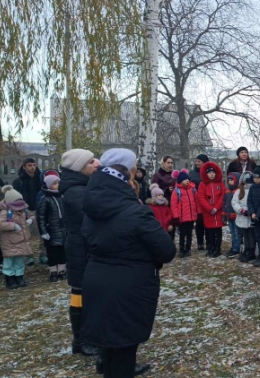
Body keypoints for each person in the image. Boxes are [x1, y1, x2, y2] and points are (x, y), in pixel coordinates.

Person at [81, 148, 175, 378]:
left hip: (97, 280)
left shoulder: (92, 206)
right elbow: (166, 250)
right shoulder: (135, 212)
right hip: (129, 288)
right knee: (124, 352)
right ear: (128, 172)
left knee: (110, 347)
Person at [58, 148, 101, 357]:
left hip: (82, 247)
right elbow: (91, 218)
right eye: (91, 161)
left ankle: (84, 338)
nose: (96, 164)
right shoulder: (76, 191)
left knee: (82, 294)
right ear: (79, 167)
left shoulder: (80, 186)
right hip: (80, 249)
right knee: (79, 294)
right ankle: (81, 340)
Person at [0, 186, 35, 290]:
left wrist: (31, 220)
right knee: (9, 262)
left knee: (19, 261)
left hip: (21, 241)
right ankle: (10, 279)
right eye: (17, 200)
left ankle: (19, 277)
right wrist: (12, 226)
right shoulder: (6, 212)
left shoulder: (24, 210)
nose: (20, 202)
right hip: (9, 242)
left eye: (20, 200)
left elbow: (31, 215)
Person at [12, 158, 44, 265]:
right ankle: (29, 255)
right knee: (26, 234)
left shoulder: (40, 179)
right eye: (29, 165)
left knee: (43, 232)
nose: (32, 168)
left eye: (34, 165)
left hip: (40, 208)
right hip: (26, 210)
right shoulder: (18, 181)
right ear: (24, 167)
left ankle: (43, 254)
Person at [37, 174, 66, 282]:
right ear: (49, 185)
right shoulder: (45, 199)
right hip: (51, 230)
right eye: (54, 183)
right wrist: (43, 231)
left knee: (62, 251)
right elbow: (41, 216)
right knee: (52, 252)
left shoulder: (62, 196)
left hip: (63, 230)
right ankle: (53, 271)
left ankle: (62, 270)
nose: (57, 185)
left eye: (58, 183)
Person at [196, 162, 225, 258]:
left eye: (213, 172)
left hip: (218, 211)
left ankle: (217, 248)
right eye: (209, 173)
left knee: (218, 230)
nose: (211, 175)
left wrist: (217, 207)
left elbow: (223, 195)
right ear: (206, 174)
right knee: (210, 231)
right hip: (208, 212)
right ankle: (211, 247)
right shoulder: (202, 184)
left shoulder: (220, 184)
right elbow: (201, 197)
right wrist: (209, 208)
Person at [171, 171, 198, 258]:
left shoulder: (192, 189)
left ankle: (188, 248)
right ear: (180, 180)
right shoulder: (177, 191)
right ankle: (182, 249)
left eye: (188, 179)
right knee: (182, 234)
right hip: (182, 217)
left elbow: (196, 202)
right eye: (185, 179)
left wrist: (197, 212)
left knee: (189, 233)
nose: (187, 181)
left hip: (190, 216)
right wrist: (176, 216)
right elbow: (173, 205)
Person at [233, 172, 256, 263]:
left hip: (251, 216)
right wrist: (241, 210)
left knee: (251, 234)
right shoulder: (239, 191)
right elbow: (234, 202)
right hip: (243, 216)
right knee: (245, 234)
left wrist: (251, 211)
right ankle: (247, 249)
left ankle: (251, 251)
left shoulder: (253, 190)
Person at [190, 154, 209, 251]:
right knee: (199, 222)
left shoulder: (209, 172)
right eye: (196, 161)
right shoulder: (192, 173)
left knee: (208, 222)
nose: (197, 163)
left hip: (208, 200)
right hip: (196, 200)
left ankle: (209, 242)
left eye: (199, 161)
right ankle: (200, 242)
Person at [223, 172, 241, 258]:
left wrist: (237, 213)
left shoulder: (238, 191)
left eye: (232, 180)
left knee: (237, 233)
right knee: (233, 233)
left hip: (236, 216)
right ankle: (234, 247)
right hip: (229, 215)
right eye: (229, 180)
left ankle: (237, 248)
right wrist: (224, 214)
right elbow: (224, 204)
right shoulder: (227, 191)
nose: (230, 182)